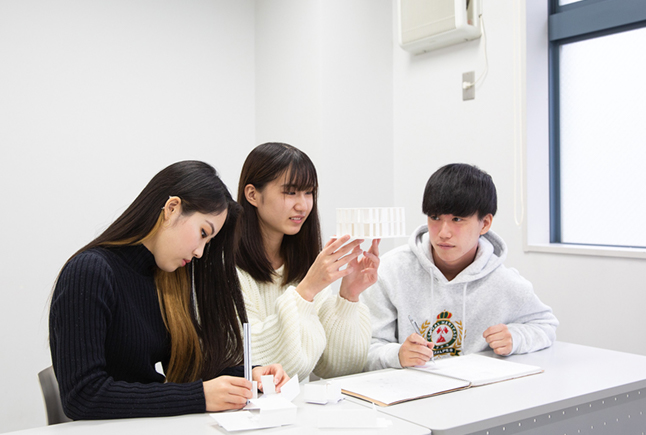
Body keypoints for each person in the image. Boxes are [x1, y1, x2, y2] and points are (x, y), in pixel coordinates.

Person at [49, 161, 287, 420]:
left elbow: (188, 368)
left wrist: (247, 374)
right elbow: (83, 396)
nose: (199, 252)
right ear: (172, 209)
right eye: (203, 233)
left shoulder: (165, 279)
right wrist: (199, 397)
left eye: (209, 241)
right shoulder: (90, 272)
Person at [364, 163, 558, 371]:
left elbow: (546, 326)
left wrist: (516, 337)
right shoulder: (391, 271)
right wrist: (397, 355)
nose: (443, 233)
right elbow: (366, 348)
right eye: (435, 218)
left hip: (475, 396)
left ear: (484, 224)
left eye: (457, 219)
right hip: (409, 395)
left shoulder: (504, 282)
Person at [235, 142, 380, 382]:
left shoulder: (305, 264)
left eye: (309, 192)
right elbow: (254, 364)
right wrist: (306, 291)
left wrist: (348, 296)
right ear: (252, 195)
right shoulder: (224, 268)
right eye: (290, 192)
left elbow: (340, 367)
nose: (303, 205)